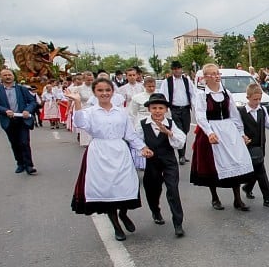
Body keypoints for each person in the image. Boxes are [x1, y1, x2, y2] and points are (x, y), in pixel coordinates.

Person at [66, 79, 148, 241]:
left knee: (127, 186)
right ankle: (116, 226)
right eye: (100, 90)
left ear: (112, 92)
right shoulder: (90, 112)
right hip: (100, 152)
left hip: (120, 151)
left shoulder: (120, 112)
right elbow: (79, 123)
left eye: (107, 90)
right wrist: (77, 103)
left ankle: (123, 214)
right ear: (95, 93)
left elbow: (130, 134)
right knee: (107, 190)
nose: (104, 93)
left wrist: (142, 148)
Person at [189, 64, 254, 211]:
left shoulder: (226, 93)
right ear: (205, 77)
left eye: (217, 73)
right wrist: (209, 132)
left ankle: (237, 199)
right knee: (212, 165)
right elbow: (200, 116)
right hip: (211, 130)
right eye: (212, 74)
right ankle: (215, 198)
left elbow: (234, 115)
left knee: (235, 161)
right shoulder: (201, 95)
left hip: (228, 129)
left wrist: (241, 134)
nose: (216, 76)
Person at [140, 93, 186, 238]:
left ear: (166, 109)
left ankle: (178, 223)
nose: (157, 111)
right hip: (152, 162)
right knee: (152, 190)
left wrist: (169, 133)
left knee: (173, 190)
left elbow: (181, 142)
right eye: (154, 108)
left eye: (161, 108)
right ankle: (156, 211)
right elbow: (136, 140)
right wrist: (143, 149)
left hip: (169, 162)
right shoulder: (143, 124)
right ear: (149, 109)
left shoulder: (171, 124)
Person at [240, 83, 269, 208]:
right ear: (248, 97)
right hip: (248, 146)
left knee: (256, 170)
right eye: (255, 99)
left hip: (260, 145)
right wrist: (242, 136)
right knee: (261, 171)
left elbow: (268, 125)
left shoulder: (262, 110)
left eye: (259, 99)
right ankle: (268, 197)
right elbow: (239, 128)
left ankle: (247, 187)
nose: (257, 102)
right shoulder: (242, 112)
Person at [0, 69, 39, 175]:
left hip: (22, 120)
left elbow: (32, 102)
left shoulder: (22, 89)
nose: (8, 77)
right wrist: (5, 110)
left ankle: (29, 165)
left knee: (24, 142)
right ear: (1, 77)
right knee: (15, 143)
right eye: (5, 75)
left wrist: (27, 110)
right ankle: (20, 163)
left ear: (13, 76)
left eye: (9, 75)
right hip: (8, 120)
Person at [159, 61, 196, 165]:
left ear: (181, 69)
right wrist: (164, 108)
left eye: (178, 68)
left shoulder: (186, 80)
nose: (177, 71)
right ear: (172, 70)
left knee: (185, 130)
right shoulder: (168, 82)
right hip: (175, 109)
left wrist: (195, 106)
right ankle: (181, 155)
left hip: (185, 109)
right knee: (179, 130)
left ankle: (182, 154)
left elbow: (193, 93)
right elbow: (163, 95)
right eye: (175, 69)